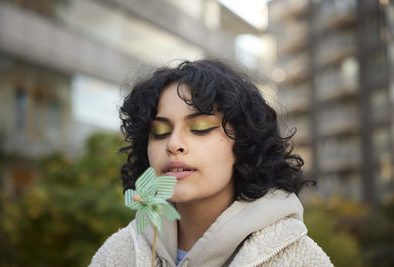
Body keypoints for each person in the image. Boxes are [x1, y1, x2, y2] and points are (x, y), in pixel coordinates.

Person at [90, 59, 333, 266]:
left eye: (200, 128)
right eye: (160, 131)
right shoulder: (117, 254)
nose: (173, 144)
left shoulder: (300, 259)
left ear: (244, 143)